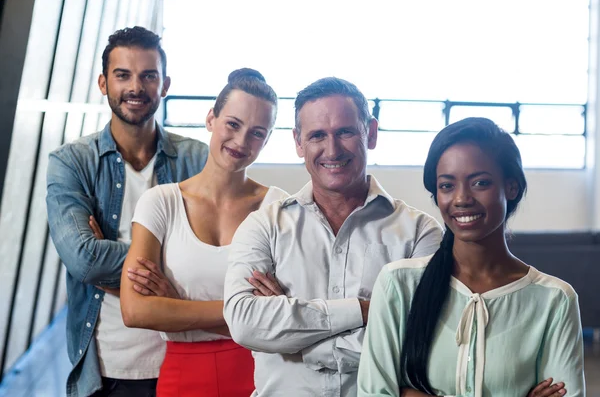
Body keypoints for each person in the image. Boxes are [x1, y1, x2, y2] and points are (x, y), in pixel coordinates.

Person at [223, 77, 444, 396]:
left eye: (345, 132)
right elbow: (245, 322)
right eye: (317, 136)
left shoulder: (420, 233)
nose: (332, 149)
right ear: (299, 142)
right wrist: (365, 311)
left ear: (370, 133)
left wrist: (296, 342)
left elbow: (420, 339)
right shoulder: (264, 227)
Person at [357, 117, 585, 397]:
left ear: (511, 187)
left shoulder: (555, 300)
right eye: (447, 186)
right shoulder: (399, 284)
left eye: (480, 182)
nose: (462, 198)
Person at [46, 26, 208, 397]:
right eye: (123, 75)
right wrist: (174, 260)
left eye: (148, 75)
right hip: (109, 367)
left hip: (186, 357)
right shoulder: (71, 163)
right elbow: (84, 259)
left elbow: (224, 258)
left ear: (164, 84)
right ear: (104, 83)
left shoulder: (198, 160)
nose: (136, 87)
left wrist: (112, 259)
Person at [119, 68, 288, 396]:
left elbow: (288, 316)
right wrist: (246, 310)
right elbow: (135, 310)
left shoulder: (279, 207)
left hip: (267, 375)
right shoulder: (161, 202)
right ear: (211, 118)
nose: (241, 141)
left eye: (257, 133)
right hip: (183, 377)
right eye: (233, 124)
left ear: (267, 140)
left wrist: (175, 305)